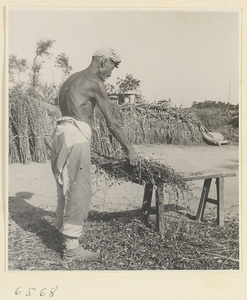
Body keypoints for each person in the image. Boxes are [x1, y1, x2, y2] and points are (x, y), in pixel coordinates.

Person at [51, 47, 139, 262]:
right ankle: (71, 249)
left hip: (61, 133)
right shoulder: (95, 83)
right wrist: (131, 150)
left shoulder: (71, 79)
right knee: (79, 188)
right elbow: (113, 124)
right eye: (112, 67)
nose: (111, 73)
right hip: (76, 135)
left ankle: (63, 234)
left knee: (66, 185)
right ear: (103, 62)